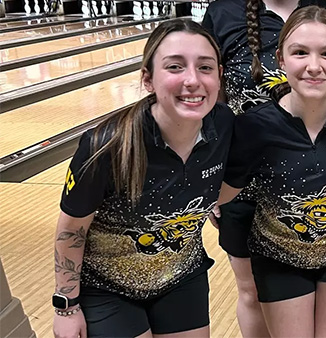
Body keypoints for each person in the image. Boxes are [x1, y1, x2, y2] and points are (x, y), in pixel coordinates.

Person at [202, 0, 326, 337]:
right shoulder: (224, 15)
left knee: (317, 296)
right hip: (245, 181)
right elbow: (209, 100)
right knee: (249, 291)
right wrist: (212, 178)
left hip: (313, 177)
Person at [52, 19, 233, 338]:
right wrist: (67, 306)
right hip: (108, 288)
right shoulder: (106, 146)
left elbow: (233, 177)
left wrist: (221, 204)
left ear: (218, 76)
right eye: (175, 67)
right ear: (148, 79)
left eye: (205, 67)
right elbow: (71, 229)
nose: (193, 79)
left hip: (181, 277)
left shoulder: (225, 127)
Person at [216, 6, 326, 337]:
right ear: (281, 59)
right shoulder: (253, 126)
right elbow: (218, 190)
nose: (313, 66)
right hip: (278, 256)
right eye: (300, 52)